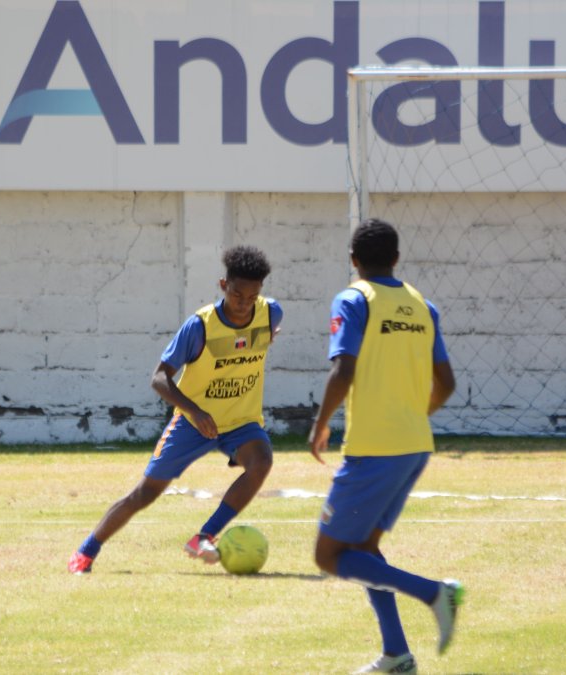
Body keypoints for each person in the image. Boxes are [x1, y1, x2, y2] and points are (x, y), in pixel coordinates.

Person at [308, 219, 462, 674]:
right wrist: (414, 416)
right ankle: (397, 655)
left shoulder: (353, 299)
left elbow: (343, 370)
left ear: (353, 261)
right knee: (364, 550)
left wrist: (320, 424)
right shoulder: (422, 305)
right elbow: (447, 384)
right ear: (396, 259)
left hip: (375, 448)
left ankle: (436, 593)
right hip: (415, 444)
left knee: (328, 555)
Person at [69, 246, 281, 574]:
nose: (244, 304)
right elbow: (158, 378)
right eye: (238, 294)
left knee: (262, 461)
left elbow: (260, 335)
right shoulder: (200, 327)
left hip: (241, 420)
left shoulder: (271, 314)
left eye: (252, 297)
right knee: (146, 493)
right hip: (194, 422)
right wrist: (195, 412)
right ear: (223, 285)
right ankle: (87, 550)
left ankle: (204, 536)